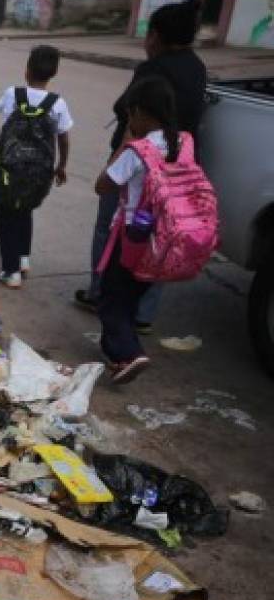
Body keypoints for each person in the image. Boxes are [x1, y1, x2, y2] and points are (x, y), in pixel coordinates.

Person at [75, 0, 207, 329]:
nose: (146, 42)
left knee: (111, 227)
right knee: (161, 236)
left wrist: (117, 159)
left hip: (138, 164)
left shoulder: (153, 70)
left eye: (149, 35)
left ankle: (101, 293)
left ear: (158, 37)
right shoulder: (197, 68)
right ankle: (143, 313)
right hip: (177, 166)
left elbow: (124, 109)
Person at [93, 76, 183, 384]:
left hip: (132, 236)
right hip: (165, 237)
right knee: (131, 296)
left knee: (110, 297)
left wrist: (125, 143)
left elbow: (102, 185)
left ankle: (128, 354)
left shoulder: (138, 150)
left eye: (131, 114)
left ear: (143, 113)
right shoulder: (182, 143)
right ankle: (120, 352)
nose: (130, 120)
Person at [0, 45, 73, 288]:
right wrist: (61, 166)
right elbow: (64, 138)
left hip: (8, 170)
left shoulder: (12, 94)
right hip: (40, 172)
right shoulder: (58, 103)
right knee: (25, 210)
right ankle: (24, 258)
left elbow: (3, 119)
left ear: (26, 71)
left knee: (6, 217)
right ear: (53, 73)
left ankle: (11, 271)